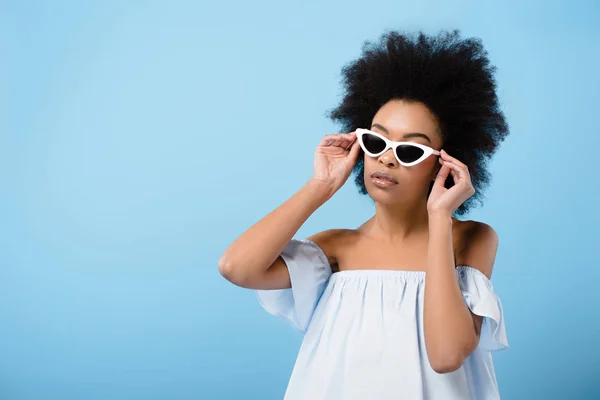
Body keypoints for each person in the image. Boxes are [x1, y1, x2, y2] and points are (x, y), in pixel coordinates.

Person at [218, 28, 510, 400]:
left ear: (446, 163)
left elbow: (447, 355)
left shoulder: (470, 238)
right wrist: (320, 186)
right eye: (377, 141)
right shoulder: (337, 248)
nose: (387, 158)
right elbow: (235, 268)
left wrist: (440, 218)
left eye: (410, 151)